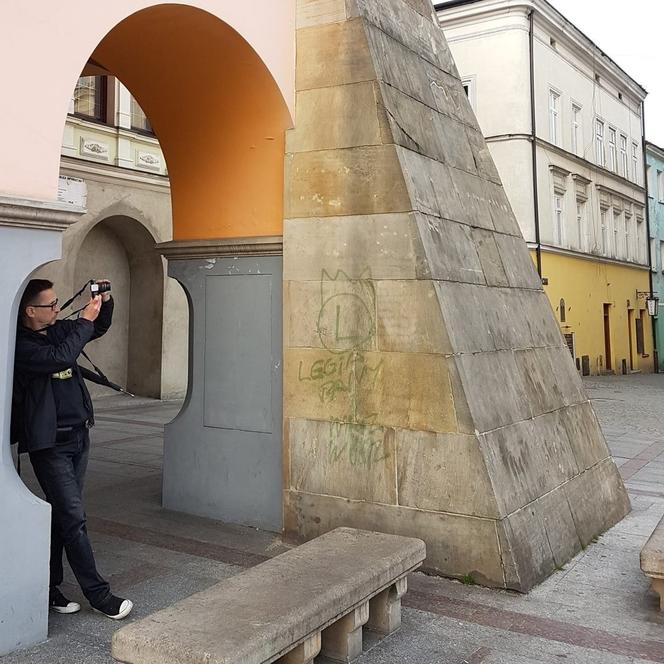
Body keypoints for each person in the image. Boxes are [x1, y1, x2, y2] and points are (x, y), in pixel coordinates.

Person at [11, 278, 133, 620]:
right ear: (30, 311)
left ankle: (49, 588)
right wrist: (84, 320)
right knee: (74, 519)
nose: (56, 308)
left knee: (62, 517)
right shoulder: (20, 345)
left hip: (78, 436)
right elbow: (61, 356)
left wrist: (104, 303)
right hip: (50, 445)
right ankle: (99, 594)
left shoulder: (58, 329)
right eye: (50, 305)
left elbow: (98, 327)